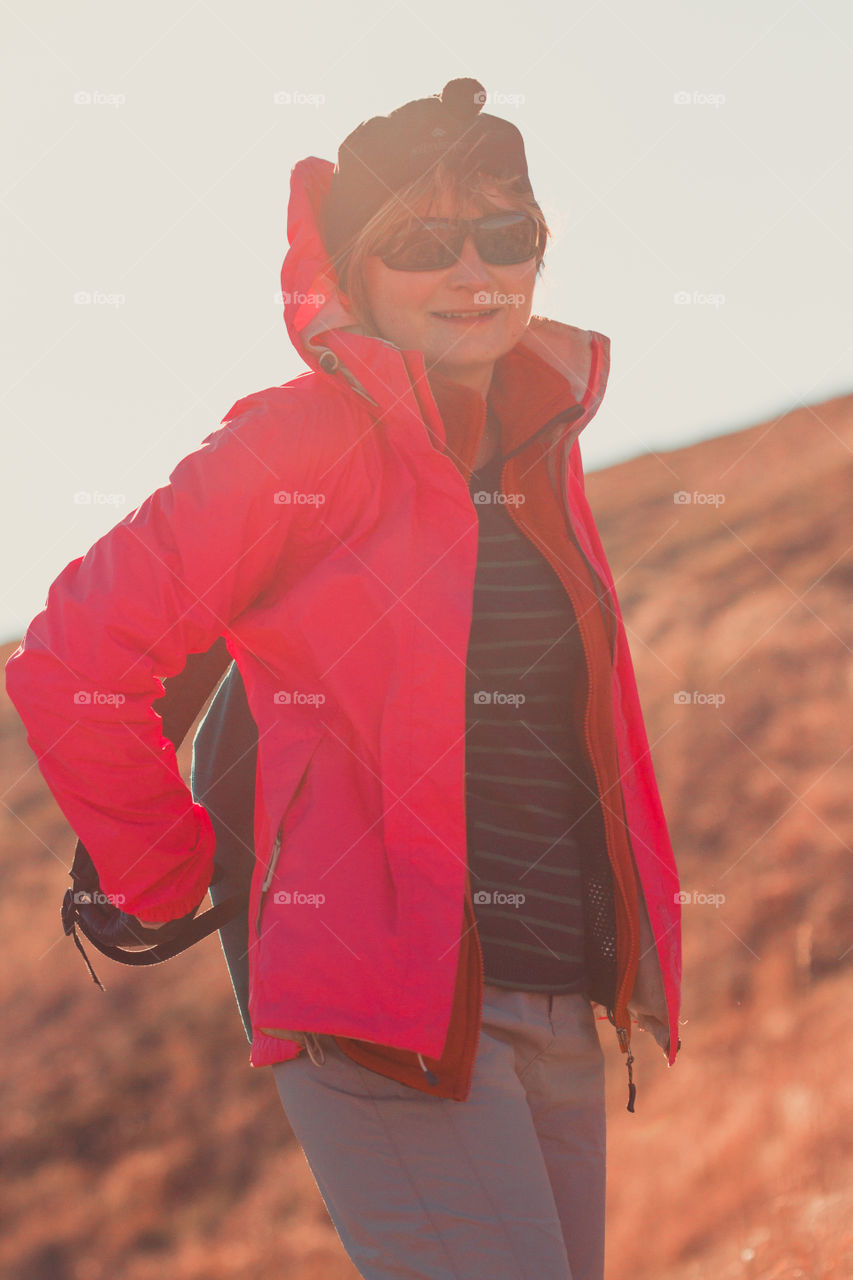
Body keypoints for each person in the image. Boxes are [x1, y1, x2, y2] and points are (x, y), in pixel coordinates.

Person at [5, 78, 682, 1280]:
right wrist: (170, 875)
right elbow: (74, 660)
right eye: (424, 244)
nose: (475, 269)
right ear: (354, 275)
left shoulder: (531, 449)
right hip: (386, 1019)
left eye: (505, 233)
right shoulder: (305, 436)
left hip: (545, 1001)